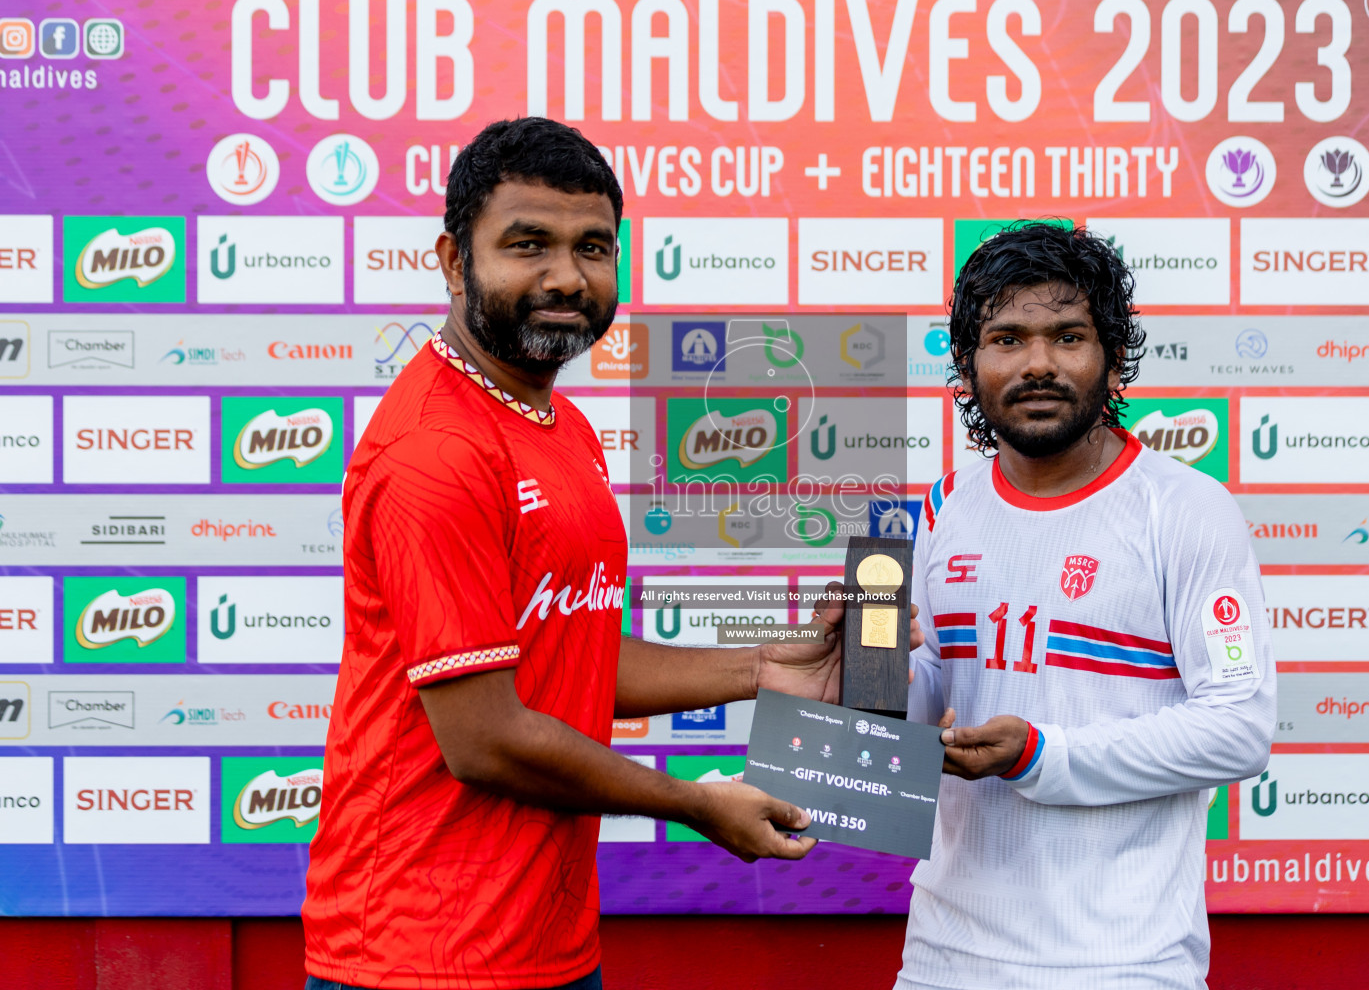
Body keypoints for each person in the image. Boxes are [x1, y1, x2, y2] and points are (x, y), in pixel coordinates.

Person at [302, 117, 915, 990]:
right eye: (528, 244)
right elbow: (484, 738)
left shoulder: (557, 424)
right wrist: (698, 806)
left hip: (543, 944)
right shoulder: (435, 450)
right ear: (451, 258)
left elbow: (571, 655)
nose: (565, 276)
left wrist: (766, 669)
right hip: (416, 955)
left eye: (593, 246)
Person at [898, 222, 1275, 990]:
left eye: (1068, 335)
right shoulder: (942, 507)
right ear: (968, 362)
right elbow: (934, 700)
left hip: (1122, 963)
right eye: (1006, 338)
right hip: (944, 953)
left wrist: (1043, 755)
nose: (1038, 364)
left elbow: (1239, 728)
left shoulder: (1186, 510)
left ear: (1111, 355)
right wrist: (867, 678)